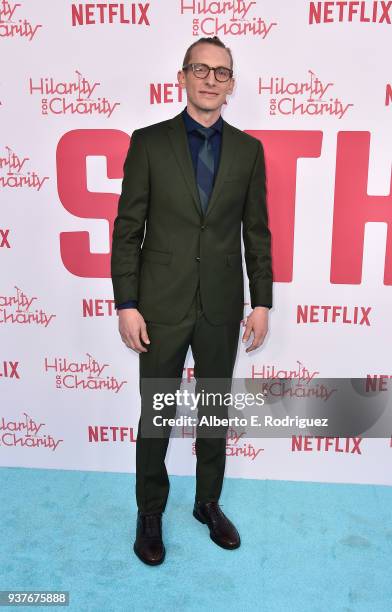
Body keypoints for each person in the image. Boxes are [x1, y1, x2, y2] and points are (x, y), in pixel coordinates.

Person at [110, 35, 273, 565]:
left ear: (232, 85)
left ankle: (207, 503)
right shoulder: (148, 142)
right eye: (199, 69)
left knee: (214, 412)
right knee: (156, 413)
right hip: (158, 304)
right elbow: (128, 227)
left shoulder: (249, 151)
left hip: (223, 305)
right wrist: (127, 302)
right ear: (181, 77)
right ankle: (150, 511)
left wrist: (262, 301)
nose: (209, 79)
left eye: (220, 72)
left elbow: (257, 231)